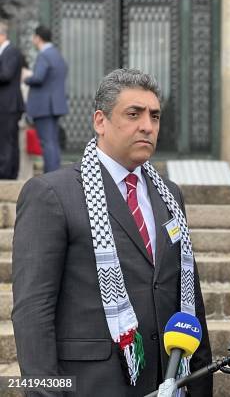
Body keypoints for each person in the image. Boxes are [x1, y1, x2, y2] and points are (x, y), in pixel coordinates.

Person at [12, 69, 213, 396]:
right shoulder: (53, 194)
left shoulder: (170, 195)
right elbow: (33, 311)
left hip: (168, 381)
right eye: (133, 114)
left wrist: (201, 388)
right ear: (100, 121)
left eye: (155, 116)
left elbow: (188, 297)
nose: (147, 126)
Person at [23, 25, 68, 173]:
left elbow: (38, 78)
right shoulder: (56, 54)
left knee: (47, 142)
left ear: (38, 38)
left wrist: (26, 77)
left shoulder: (44, 55)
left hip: (44, 106)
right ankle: (55, 173)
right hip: (55, 105)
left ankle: (51, 175)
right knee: (52, 142)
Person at [0, 21, 25, 179]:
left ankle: (6, 173)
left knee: (7, 140)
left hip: (9, 105)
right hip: (4, 104)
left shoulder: (11, 51)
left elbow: (6, 75)